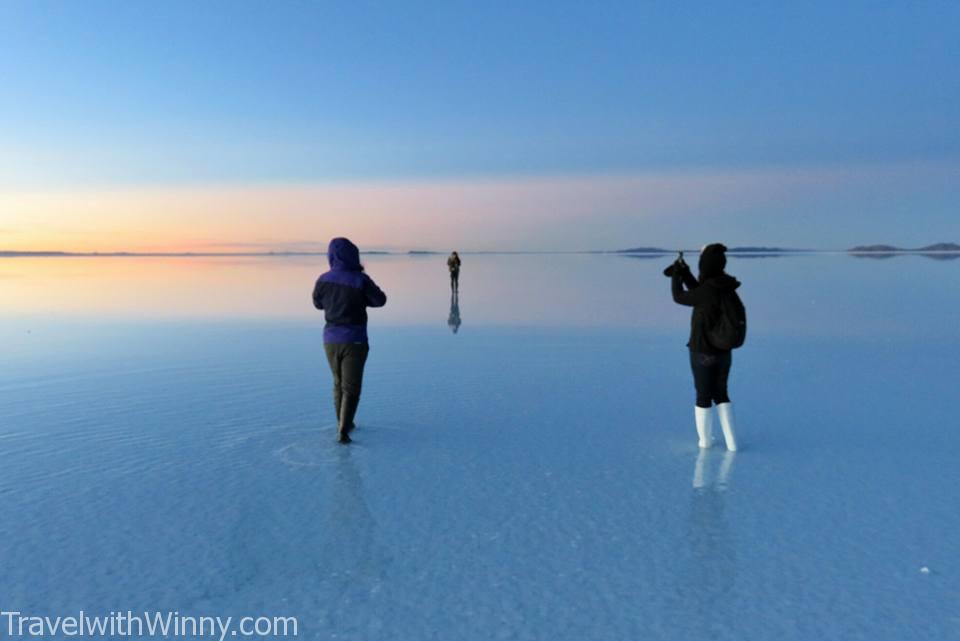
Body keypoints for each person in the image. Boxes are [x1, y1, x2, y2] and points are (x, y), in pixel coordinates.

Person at [312, 237, 387, 444]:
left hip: (330, 340)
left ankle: (342, 424)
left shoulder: (322, 279)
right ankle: (344, 431)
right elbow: (380, 300)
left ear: (331, 256)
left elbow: (317, 304)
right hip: (355, 340)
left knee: (338, 384)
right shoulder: (360, 279)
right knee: (351, 387)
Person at [666, 243, 740, 451]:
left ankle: (705, 442)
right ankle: (733, 443)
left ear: (704, 265)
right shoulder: (725, 286)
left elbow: (679, 297)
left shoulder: (707, 291)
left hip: (702, 351)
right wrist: (686, 272)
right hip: (724, 350)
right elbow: (699, 293)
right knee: (721, 393)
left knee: (703, 395)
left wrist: (675, 278)